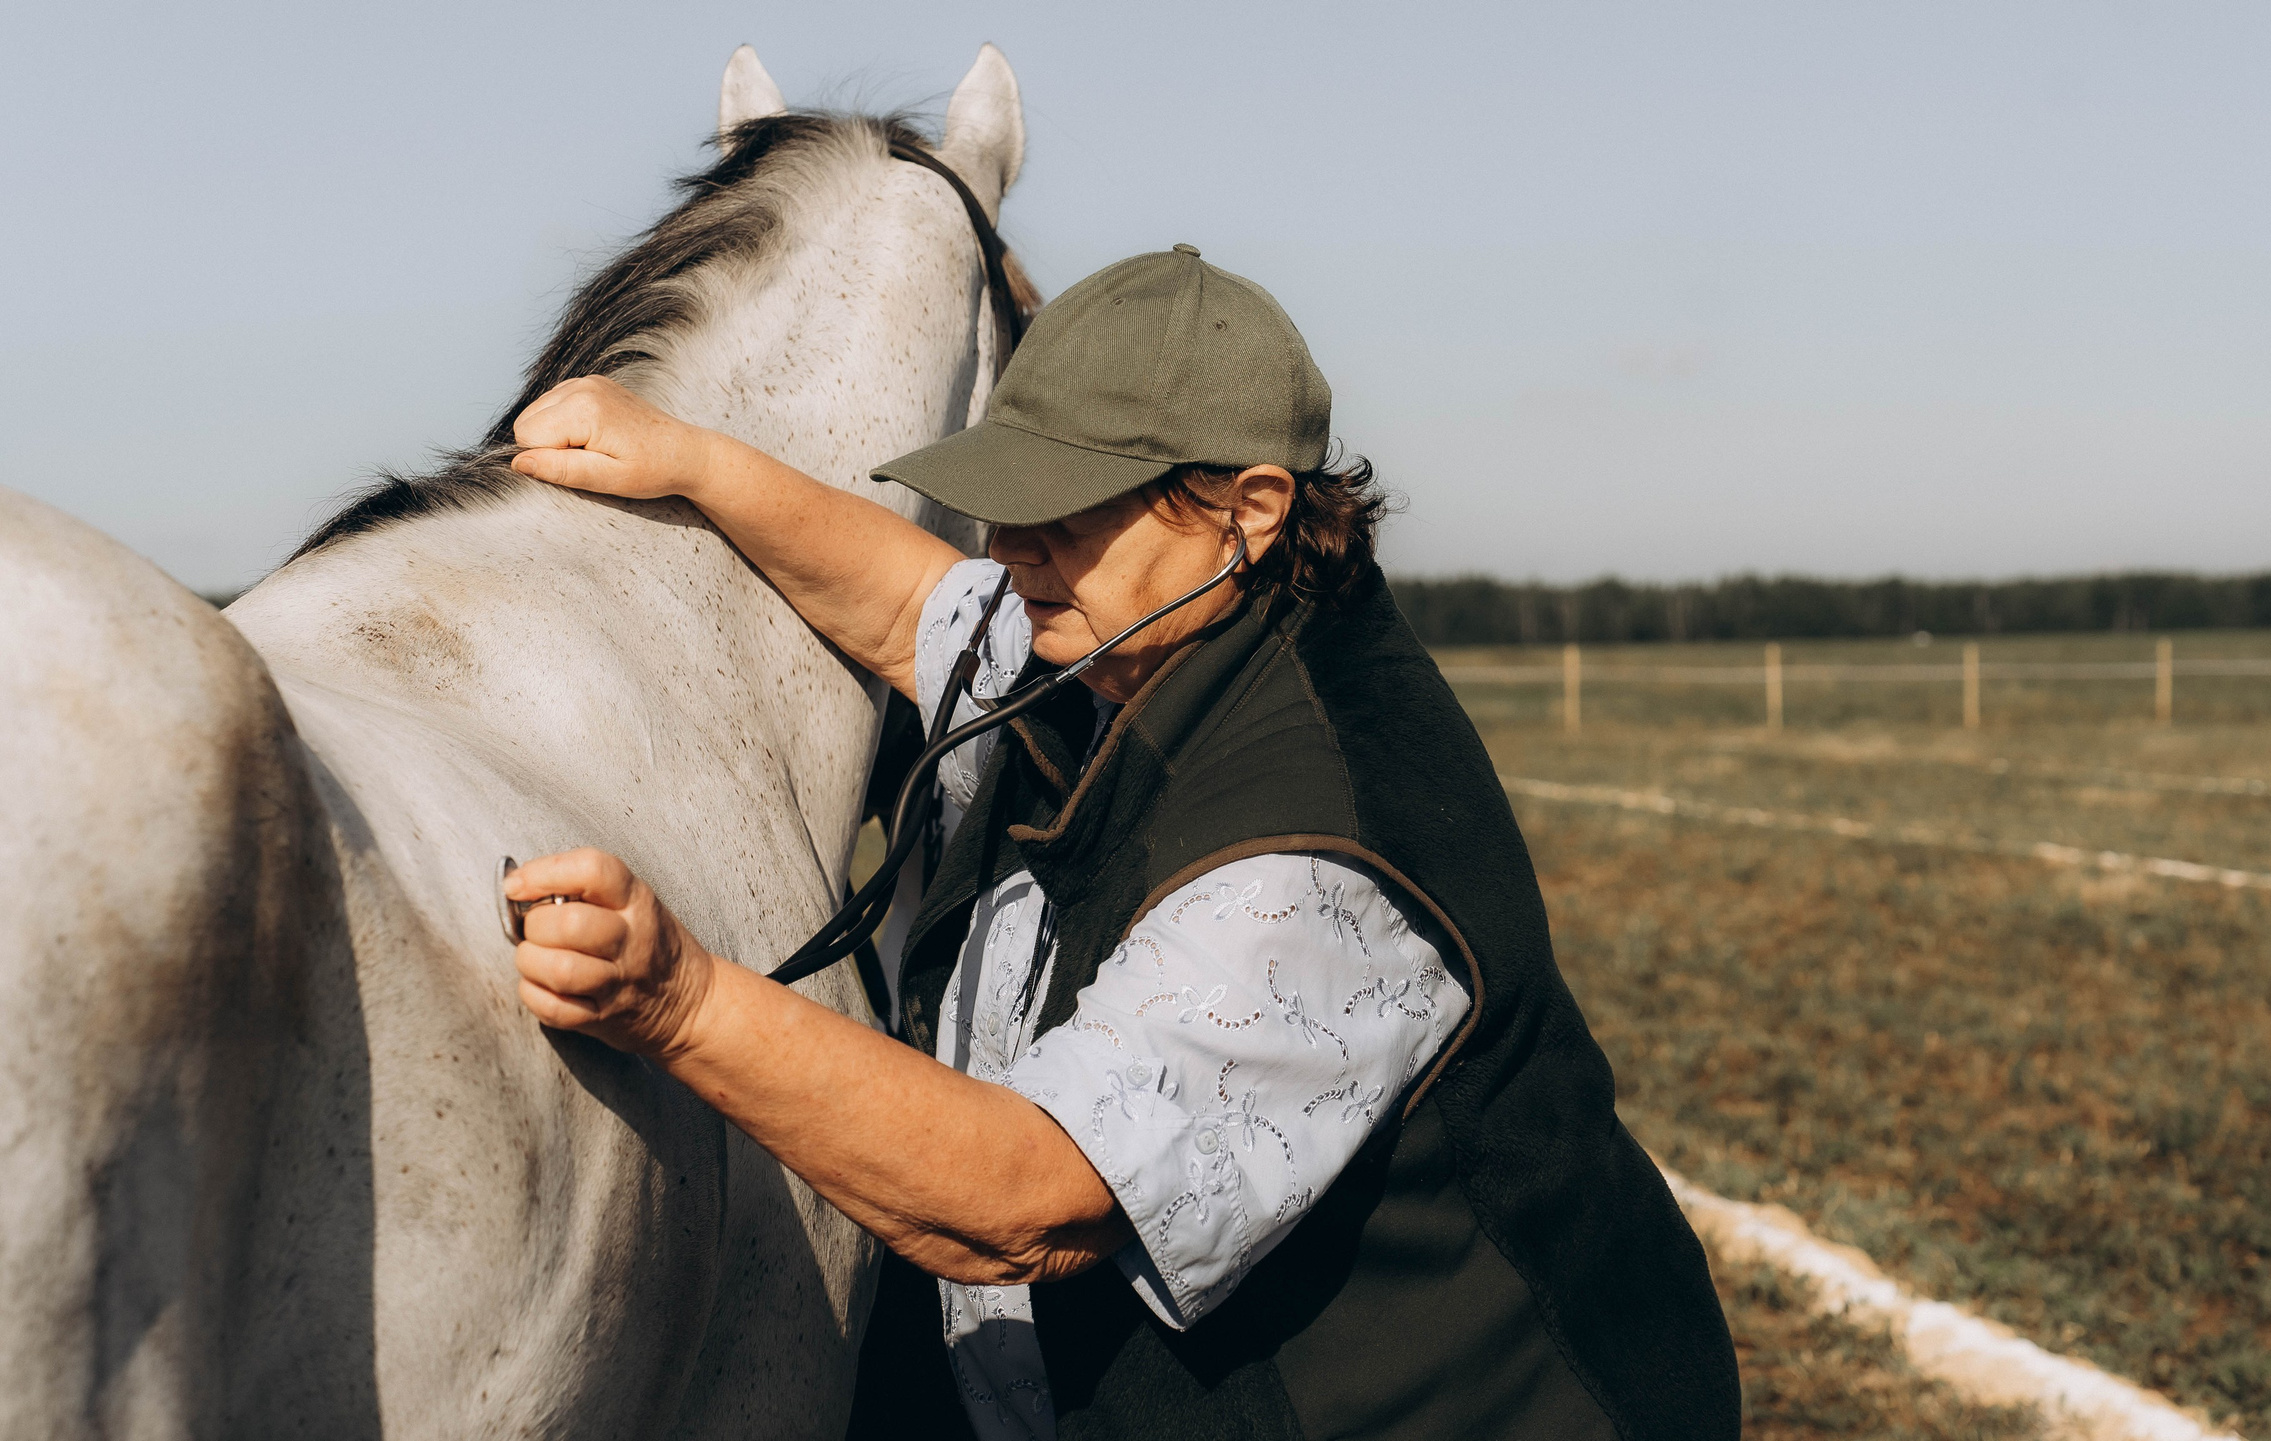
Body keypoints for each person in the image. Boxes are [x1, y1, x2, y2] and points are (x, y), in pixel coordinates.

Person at [502, 244, 1739, 1440]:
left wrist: (680, 1003)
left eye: (1059, 513)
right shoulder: (1145, 626)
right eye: (1002, 502)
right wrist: (696, 463)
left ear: (1248, 510)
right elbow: (909, 601)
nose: (1005, 551)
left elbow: (1020, 1206)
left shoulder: (1309, 862)